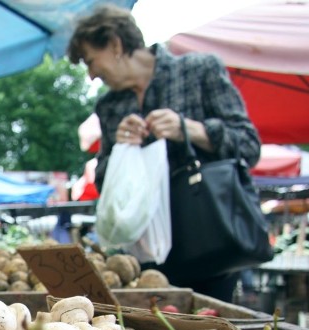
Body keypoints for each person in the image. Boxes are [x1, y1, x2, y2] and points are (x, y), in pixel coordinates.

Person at [67, 4, 262, 302]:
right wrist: (120, 148)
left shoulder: (199, 71)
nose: (92, 75)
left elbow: (248, 145)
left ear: (116, 44)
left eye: (91, 61)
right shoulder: (109, 107)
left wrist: (191, 129)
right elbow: (106, 183)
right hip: (146, 259)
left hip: (209, 243)